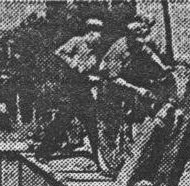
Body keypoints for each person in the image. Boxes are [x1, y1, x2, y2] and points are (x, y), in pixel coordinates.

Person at [97, 20, 173, 172]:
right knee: (110, 124)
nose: (141, 44)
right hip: (110, 86)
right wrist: (137, 90)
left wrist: (163, 67)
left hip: (126, 85)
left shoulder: (138, 44)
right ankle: (107, 162)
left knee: (132, 117)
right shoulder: (118, 50)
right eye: (138, 41)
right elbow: (114, 78)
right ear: (129, 37)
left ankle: (126, 155)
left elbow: (150, 54)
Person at [35, 18, 105, 163]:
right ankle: (42, 152)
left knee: (91, 122)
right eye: (98, 33)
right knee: (61, 121)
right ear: (90, 33)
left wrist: (93, 77)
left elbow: (88, 70)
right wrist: (74, 64)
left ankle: (98, 157)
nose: (100, 37)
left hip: (84, 90)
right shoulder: (77, 41)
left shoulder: (94, 50)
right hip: (70, 89)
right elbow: (59, 52)